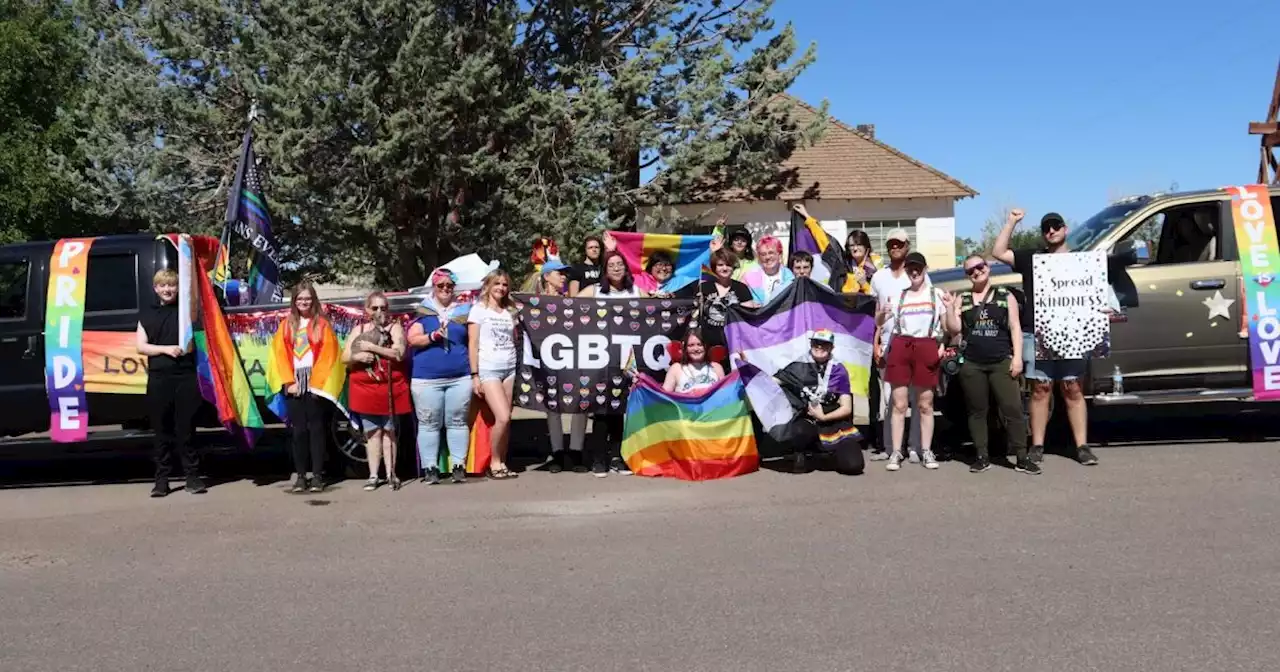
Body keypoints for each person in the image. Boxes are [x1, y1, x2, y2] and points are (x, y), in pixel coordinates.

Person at [992, 209, 1097, 466]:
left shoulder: (1082, 260)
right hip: (1036, 331)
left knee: (1072, 387)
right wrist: (1012, 222)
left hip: (1073, 332)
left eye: (1056, 226)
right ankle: (1037, 445)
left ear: (1065, 229)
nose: (1051, 231)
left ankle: (1082, 446)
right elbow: (998, 252)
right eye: (1046, 228)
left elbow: (1094, 293)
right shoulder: (1032, 258)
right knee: (1041, 389)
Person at [944, 255, 1038, 475]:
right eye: (970, 271)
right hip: (971, 363)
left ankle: (1022, 457)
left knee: (1012, 409)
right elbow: (954, 329)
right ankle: (981, 455)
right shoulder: (963, 298)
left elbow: (1015, 327)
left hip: (1001, 360)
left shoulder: (1006, 295)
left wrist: (1017, 358)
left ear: (988, 268)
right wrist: (949, 308)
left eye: (980, 267)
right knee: (977, 411)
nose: (976, 272)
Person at [268, 281, 343, 493]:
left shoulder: (323, 324)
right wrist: (288, 382)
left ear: (314, 300)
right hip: (294, 380)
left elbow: (329, 354)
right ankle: (301, 475)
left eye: (307, 298)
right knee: (298, 431)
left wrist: (317, 384)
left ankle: (318, 475)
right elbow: (279, 355)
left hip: (316, 380)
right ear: (294, 301)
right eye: (300, 298)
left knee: (317, 429)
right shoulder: (286, 324)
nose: (304, 302)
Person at [136, 268, 205, 497]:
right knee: (161, 431)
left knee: (186, 430)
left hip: (186, 377)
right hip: (159, 379)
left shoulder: (188, 313)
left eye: (172, 285)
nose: (168, 290)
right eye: (163, 286)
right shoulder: (147, 314)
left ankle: (193, 477)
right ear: (156, 289)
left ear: (178, 288)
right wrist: (166, 349)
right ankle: (161, 480)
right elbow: (141, 346)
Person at [575, 250, 645, 477]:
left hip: (627, 357)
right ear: (605, 270)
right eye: (611, 265)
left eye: (620, 264)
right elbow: (569, 306)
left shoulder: (635, 291)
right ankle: (598, 459)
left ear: (626, 268)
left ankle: (617, 456)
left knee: (620, 408)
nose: (616, 268)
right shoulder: (594, 290)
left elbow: (654, 309)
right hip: (600, 357)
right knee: (602, 409)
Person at [879, 252, 947, 472]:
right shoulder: (899, 296)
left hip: (926, 345)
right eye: (910, 268)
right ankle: (896, 451)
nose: (914, 271)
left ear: (925, 269)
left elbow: (948, 327)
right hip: (901, 345)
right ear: (906, 271)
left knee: (925, 404)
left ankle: (926, 450)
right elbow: (879, 322)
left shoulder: (936, 294)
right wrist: (882, 314)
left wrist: (943, 344)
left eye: (918, 267)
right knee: (898, 404)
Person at [406, 269, 472, 485]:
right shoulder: (423, 312)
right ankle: (430, 468)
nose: (445, 289)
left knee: (457, 422)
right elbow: (412, 339)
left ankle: (458, 466)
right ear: (434, 287)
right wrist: (433, 336)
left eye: (449, 286)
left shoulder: (464, 311)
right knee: (429, 424)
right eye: (440, 285)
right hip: (427, 379)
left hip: (459, 377)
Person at [343, 290, 411, 491]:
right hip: (365, 388)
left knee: (389, 432)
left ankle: (391, 474)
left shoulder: (395, 328)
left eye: (383, 307)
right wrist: (358, 357)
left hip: (390, 388)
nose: (379, 311)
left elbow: (398, 354)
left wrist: (372, 349)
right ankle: (373, 475)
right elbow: (345, 356)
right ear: (367, 310)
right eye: (375, 307)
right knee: (371, 433)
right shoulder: (359, 329)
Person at [772, 329, 864, 475]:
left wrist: (824, 417)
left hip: (833, 420)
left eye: (825, 344)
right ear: (811, 344)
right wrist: (749, 369)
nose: (820, 347)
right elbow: (770, 382)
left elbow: (846, 408)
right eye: (816, 343)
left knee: (853, 466)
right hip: (808, 419)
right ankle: (801, 453)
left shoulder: (839, 370)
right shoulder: (798, 365)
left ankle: (831, 454)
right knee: (799, 431)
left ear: (832, 347)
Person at [869, 228, 925, 462]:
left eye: (899, 244)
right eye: (891, 244)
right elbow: (876, 315)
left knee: (914, 396)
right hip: (889, 344)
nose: (895, 247)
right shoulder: (878, 277)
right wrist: (876, 344)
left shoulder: (916, 274)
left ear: (907, 246)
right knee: (890, 398)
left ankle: (914, 446)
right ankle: (891, 448)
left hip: (915, 343)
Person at [532, 255, 589, 474]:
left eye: (565, 273)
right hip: (546, 359)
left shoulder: (571, 300)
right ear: (547, 277)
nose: (564, 277)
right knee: (551, 405)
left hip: (573, 356)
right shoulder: (534, 302)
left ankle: (576, 451)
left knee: (580, 401)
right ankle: (557, 453)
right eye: (559, 273)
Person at [468, 269, 519, 480]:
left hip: (510, 367)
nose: (501, 288)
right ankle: (494, 461)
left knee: (508, 419)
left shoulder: (510, 310)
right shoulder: (478, 310)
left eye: (505, 284)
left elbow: (516, 338)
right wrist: (475, 375)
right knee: (503, 417)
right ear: (488, 286)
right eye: (497, 283)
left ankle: (502, 461)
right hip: (489, 368)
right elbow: (473, 343)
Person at [696, 248, 757, 371]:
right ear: (714, 267)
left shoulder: (742, 288)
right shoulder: (703, 287)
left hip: (735, 345)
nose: (725, 268)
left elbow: (748, 318)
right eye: (720, 265)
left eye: (728, 265)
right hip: (708, 344)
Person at [663, 329, 725, 393]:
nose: (696, 349)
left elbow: (725, 394)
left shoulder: (716, 367)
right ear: (685, 348)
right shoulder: (676, 368)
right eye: (691, 345)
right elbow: (664, 397)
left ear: (705, 346)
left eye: (699, 344)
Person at [741, 236, 794, 304]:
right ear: (759, 257)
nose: (767, 257)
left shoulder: (790, 277)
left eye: (771, 253)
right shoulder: (748, 277)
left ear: (779, 254)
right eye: (763, 254)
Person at [844, 230, 877, 295]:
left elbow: (879, 294)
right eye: (852, 245)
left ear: (866, 247)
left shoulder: (876, 264)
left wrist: (864, 284)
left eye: (859, 245)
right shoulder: (843, 265)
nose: (855, 248)